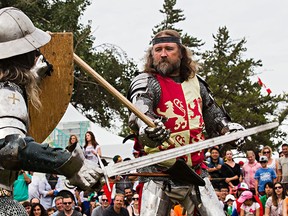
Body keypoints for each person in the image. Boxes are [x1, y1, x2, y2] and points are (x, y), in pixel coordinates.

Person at [127, 29, 245, 216]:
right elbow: (139, 111)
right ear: (152, 54)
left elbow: (213, 115)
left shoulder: (196, 83)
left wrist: (227, 129)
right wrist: (149, 126)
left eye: (169, 48)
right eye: (158, 50)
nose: (163, 54)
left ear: (181, 52)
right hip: (158, 171)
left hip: (195, 171)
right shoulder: (147, 81)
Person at [0, 7, 103, 215]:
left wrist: (35, 75)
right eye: (33, 50)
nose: (37, 54)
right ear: (25, 55)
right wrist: (70, 164)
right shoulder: (7, 92)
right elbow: (11, 149)